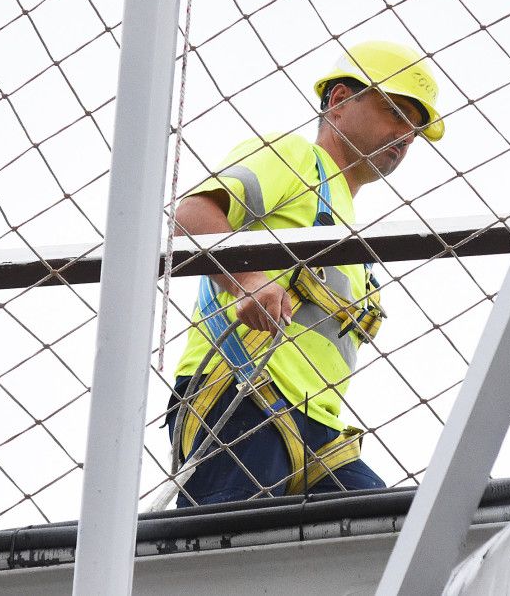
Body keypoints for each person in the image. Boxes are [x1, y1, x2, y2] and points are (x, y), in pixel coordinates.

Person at [166, 40, 445, 507]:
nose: (405, 136)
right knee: (230, 564)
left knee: (391, 543)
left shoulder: (348, 228)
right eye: (395, 113)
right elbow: (191, 215)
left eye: (416, 128)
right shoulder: (293, 158)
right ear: (339, 102)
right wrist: (246, 281)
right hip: (242, 401)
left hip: (320, 431)